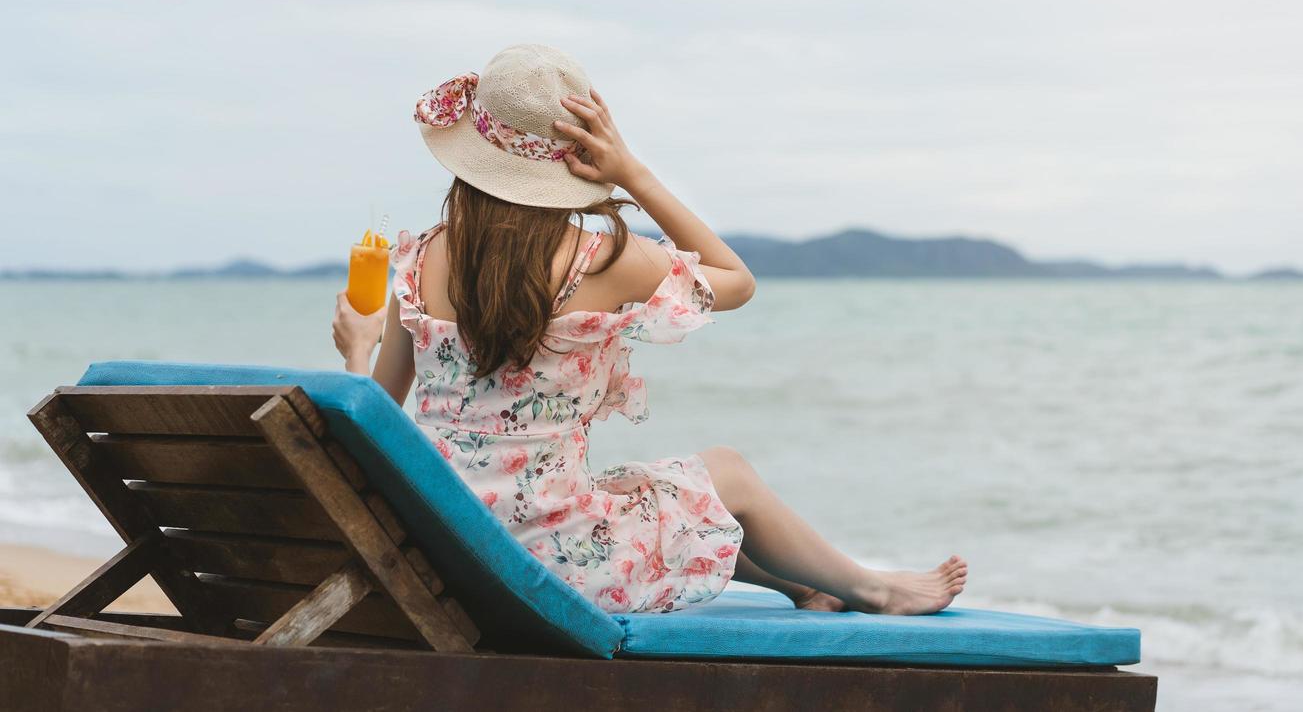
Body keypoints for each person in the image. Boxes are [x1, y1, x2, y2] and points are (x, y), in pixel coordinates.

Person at [332, 44, 967, 615]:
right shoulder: (603, 258)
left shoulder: (421, 261)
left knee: (646, 490)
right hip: (552, 574)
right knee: (728, 472)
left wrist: (358, 351)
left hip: (451, 547)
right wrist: (632, 171)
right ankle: (873, 589)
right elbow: (736, 280)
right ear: (577, 155)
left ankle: (805, 586)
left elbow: (374, 432)